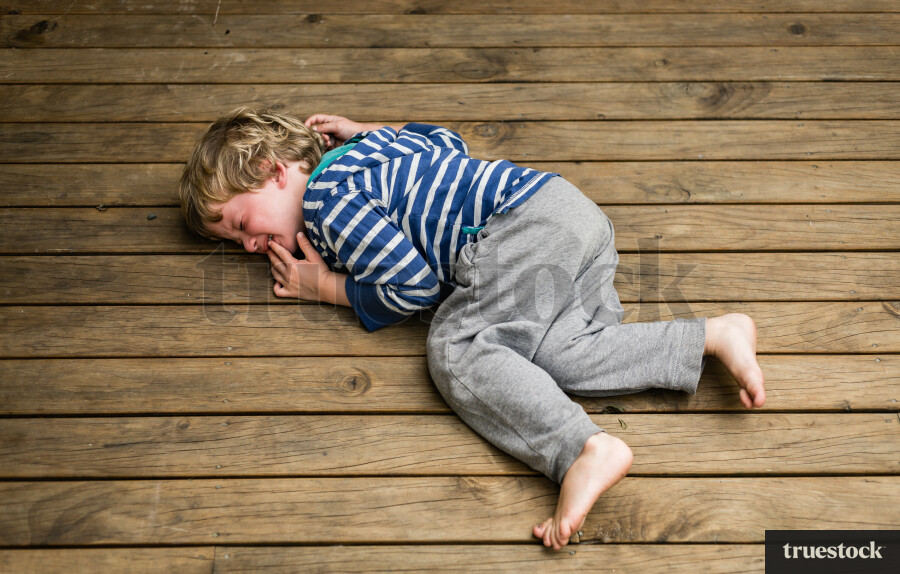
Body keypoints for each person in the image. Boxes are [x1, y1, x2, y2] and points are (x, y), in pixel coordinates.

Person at [179, 107, 766, 551]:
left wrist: (326, 287)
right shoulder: (374, 147)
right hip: (571, 214)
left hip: (516, 231)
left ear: (273, 170)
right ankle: (712, 335)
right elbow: (445, 141)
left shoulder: (328, 201)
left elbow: (414, 287)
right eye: (237, 244)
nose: (252, 245)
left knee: (457, 349)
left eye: (241, 223)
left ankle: (584, 448)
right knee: (559, 355)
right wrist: (363, 129)